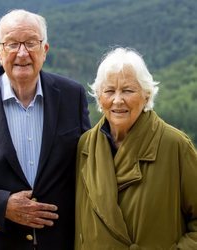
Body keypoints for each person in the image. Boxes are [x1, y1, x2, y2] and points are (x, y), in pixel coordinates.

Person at [0, 9, 91, 250]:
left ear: (44, 50)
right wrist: (2, 205)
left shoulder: (72, 96)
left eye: (31, 43)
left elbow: (89, 163)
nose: (22, 53)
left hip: (62, 242)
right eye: (12, 44)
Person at [75, 47, 197, 249]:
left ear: (147, 95)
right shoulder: (85, 146)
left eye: (128, 90)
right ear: (98, 97)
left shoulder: (174, 145)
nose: (117, 100)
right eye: (109, 91)